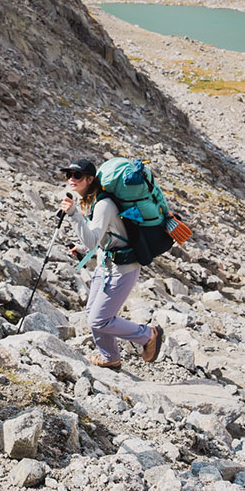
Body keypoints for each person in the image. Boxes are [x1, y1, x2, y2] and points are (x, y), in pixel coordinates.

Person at [59, 158, 163, 369]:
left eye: (76, 175)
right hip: (106, 265)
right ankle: (110, 357)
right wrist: (82, 250)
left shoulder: (103, 204)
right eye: (68, 174)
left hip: (122, 269)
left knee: (99, 320)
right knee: (92, 314)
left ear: (89, 179)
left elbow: (91, 238)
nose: (71, 179)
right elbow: (101, 237)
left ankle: (148, 335)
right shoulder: (94, 201)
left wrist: (72, 215)